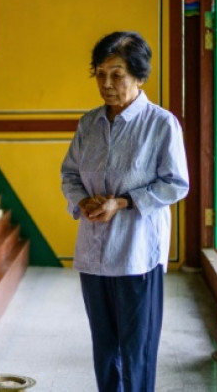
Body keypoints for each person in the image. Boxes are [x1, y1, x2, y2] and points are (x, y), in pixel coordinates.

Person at [60, 31, 189, 392]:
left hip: (136, 256)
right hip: (93, 253)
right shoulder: (89, 124)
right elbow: (69, 173)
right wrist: (81, 199)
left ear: (139, 76)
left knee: (137, 350)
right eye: (100, 74)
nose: (106, 84)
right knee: (104, 347)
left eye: (116, 74)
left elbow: (176, 183)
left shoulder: (161, 124)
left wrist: (124, 201)